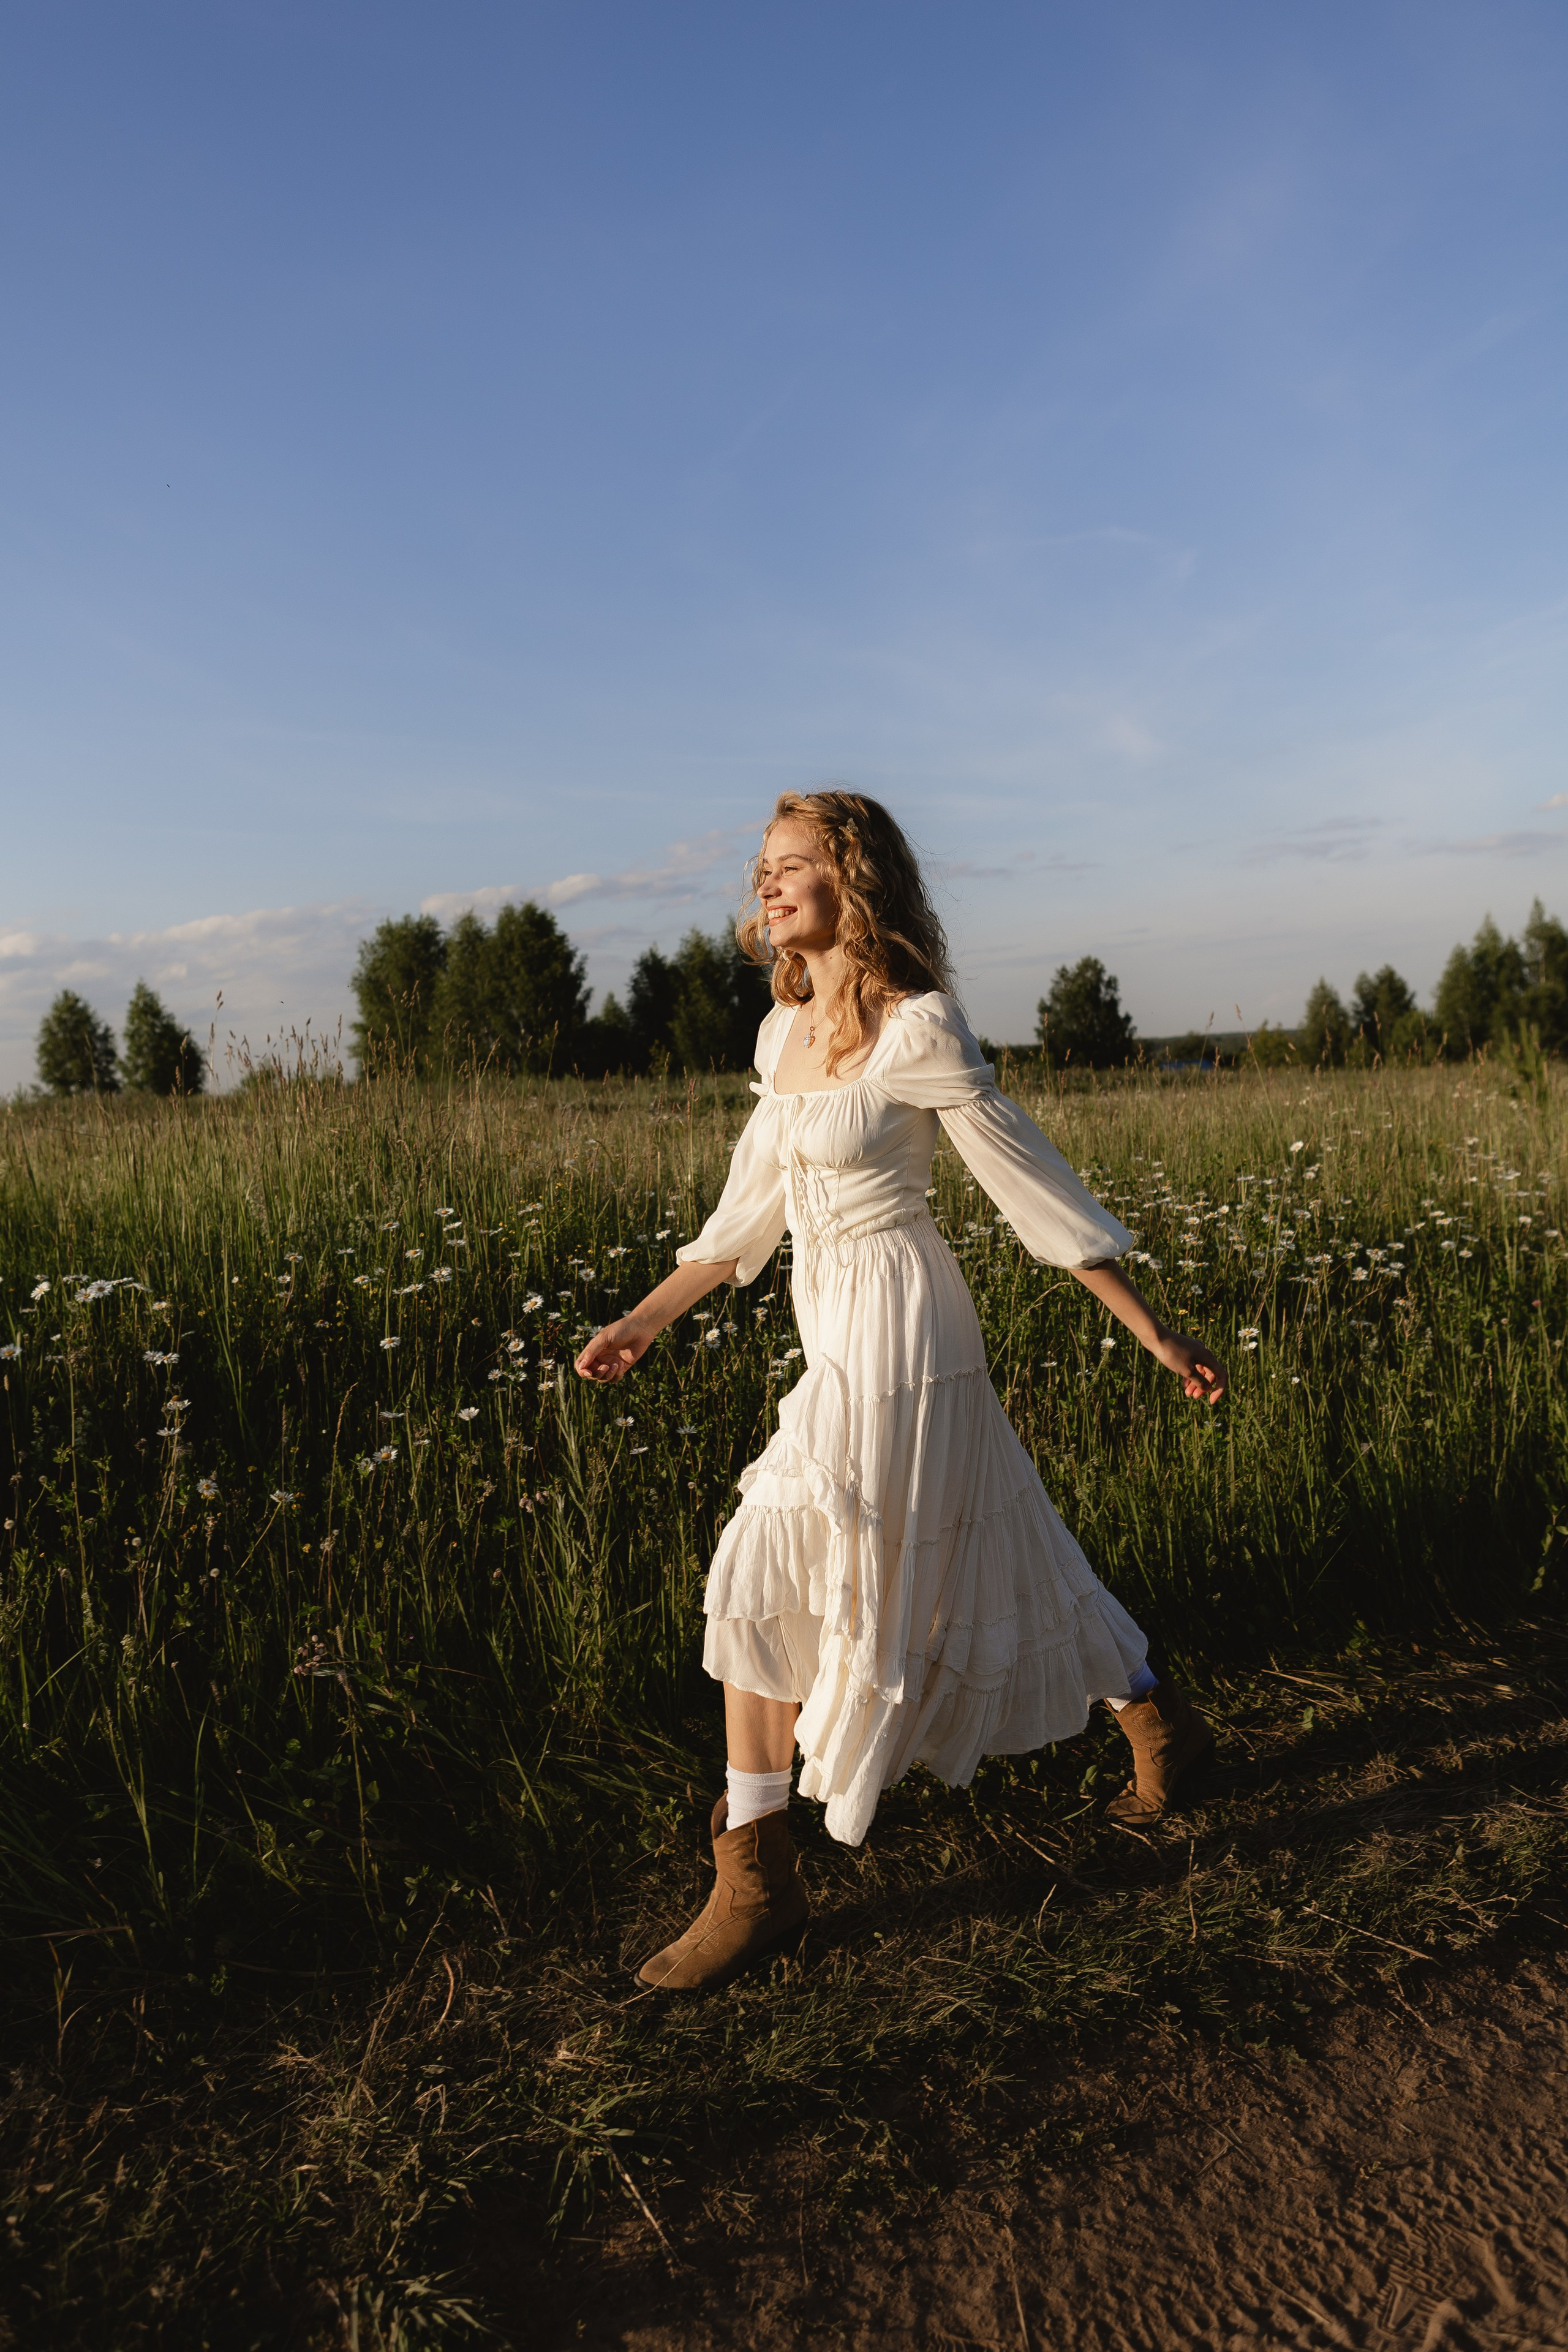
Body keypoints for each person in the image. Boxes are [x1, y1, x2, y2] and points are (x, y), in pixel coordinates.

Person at [575, 792, 1227, 1992]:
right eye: (758, 870)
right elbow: (740, 1223)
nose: (765, 887)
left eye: (792, 867)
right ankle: (1154, 1718)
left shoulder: (916, 1028)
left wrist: (1153, 1330)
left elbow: (1027, 1185)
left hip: (906, 1330)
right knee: (1004, 1545)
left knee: (759, 1560)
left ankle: (754, 1879)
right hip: (833, 1328)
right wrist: (639, 1324)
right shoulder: (779, 1038)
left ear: (855, 881)